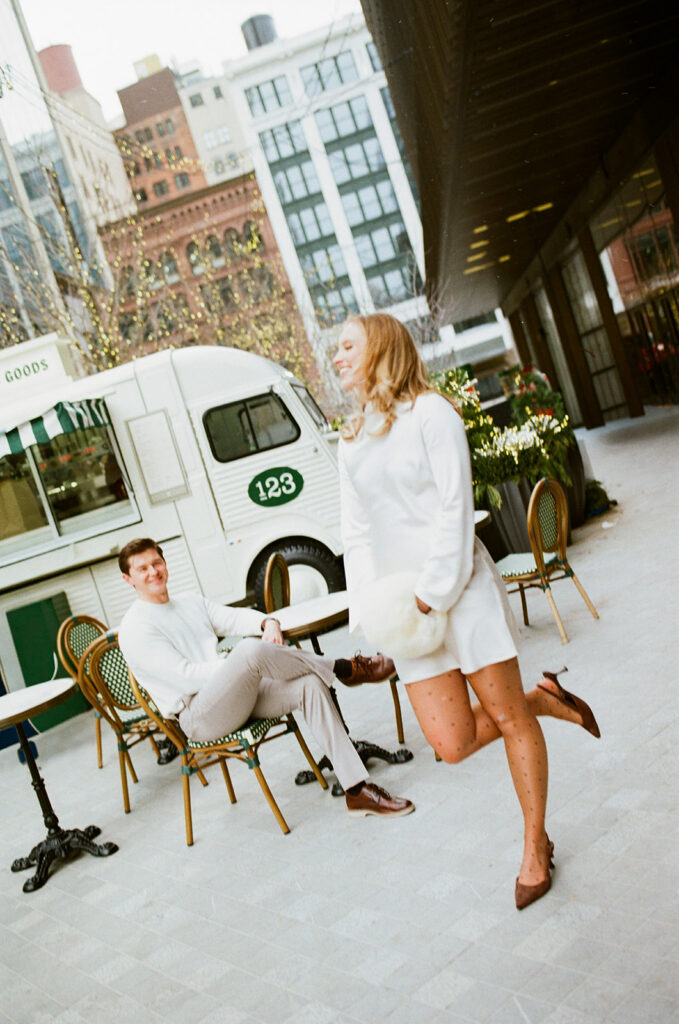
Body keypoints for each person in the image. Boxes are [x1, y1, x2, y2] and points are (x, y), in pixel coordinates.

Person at [333, 313, 600, 907]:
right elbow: (356, 535)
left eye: (347, 346)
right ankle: (541, 699)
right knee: (450, 743)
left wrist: (434, 592)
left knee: (506, 721)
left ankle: (535, 845)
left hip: (460, 592)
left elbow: (456, 510)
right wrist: (376, 615)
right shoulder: (350, 441)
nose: (337, 357)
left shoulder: (433, 413)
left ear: (381, 347)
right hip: (405, 615)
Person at [117, 537, 414, 818]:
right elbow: (185, 678)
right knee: (248, 651)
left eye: (157, 562)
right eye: (142, 569)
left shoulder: (189, 602)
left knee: (309, 684)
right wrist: (235, 663)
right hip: (199, 716)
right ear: (128, 579)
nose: (153, 571)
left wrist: (267, 621)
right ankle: (345, 668)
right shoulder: (136, 628)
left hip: (234, 696)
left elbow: (233, 618)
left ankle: (356, 789)